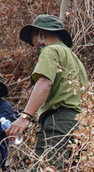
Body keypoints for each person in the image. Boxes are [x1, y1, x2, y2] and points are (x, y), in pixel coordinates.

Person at [9, 14, 88, 161]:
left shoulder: (50, 51)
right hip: (81, 122)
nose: (34, 47)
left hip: (59, 120)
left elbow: (45, 83)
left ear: (41, 35)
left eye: (33, 40)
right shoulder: (73, 58)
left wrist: (25, 116)